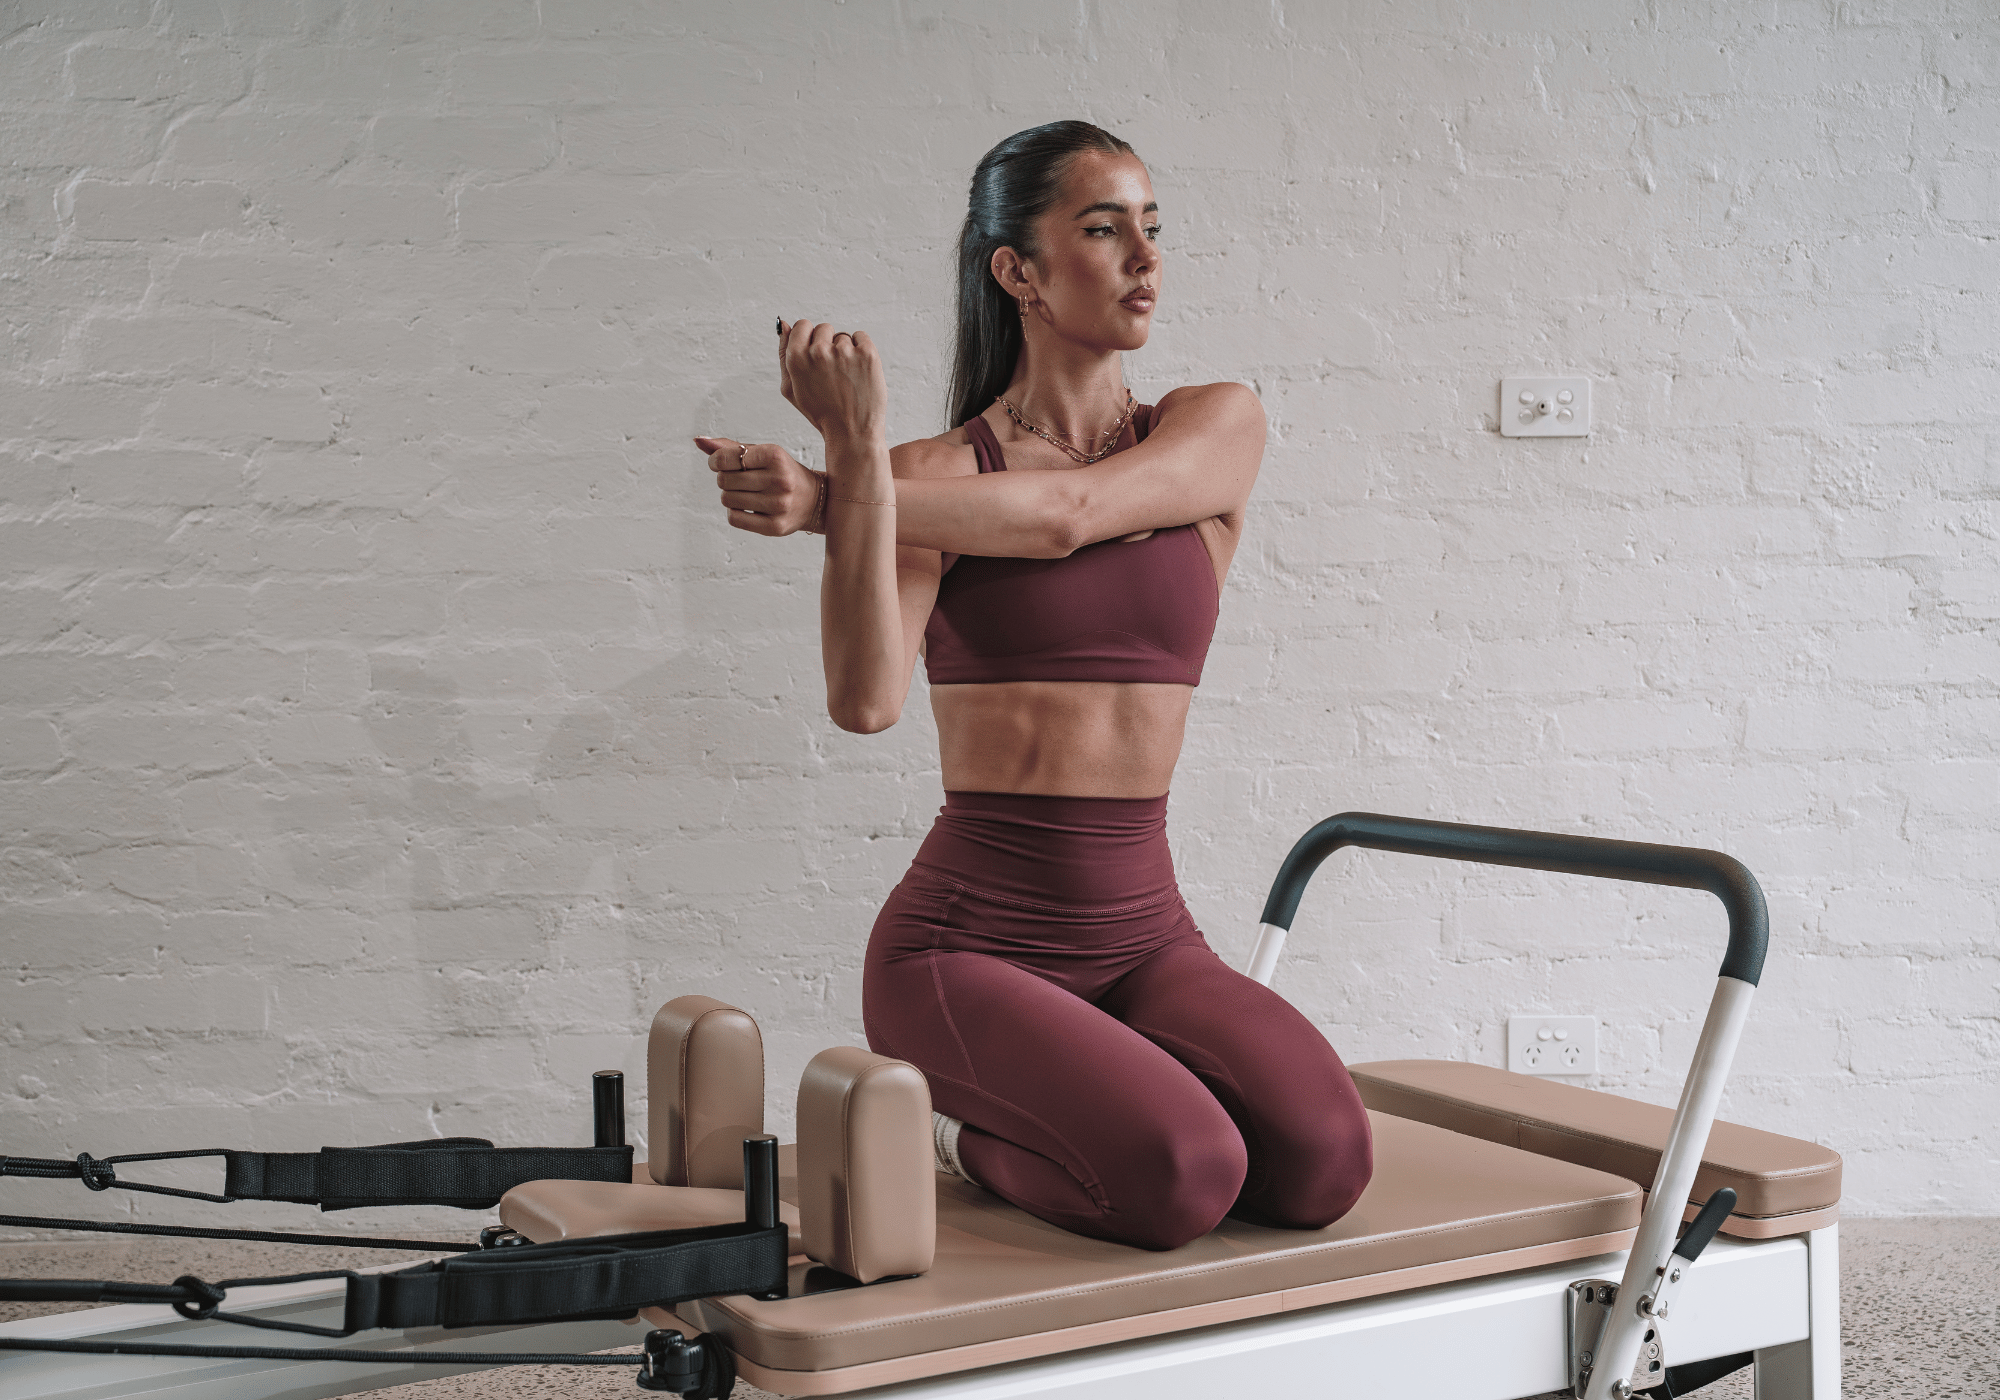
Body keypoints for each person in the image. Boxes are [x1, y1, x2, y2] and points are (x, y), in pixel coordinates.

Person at [695, 120, 1372, 1251]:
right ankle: (953, 1129)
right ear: (1017, 271)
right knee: (1179, 1177)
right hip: (964, 948)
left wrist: (829, 494)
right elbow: (863, 702)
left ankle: (1085, 1088)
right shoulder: (923, 476)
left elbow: (1068, 514)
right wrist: (859, 460)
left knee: (1324, 1162)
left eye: (1151, 230)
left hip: (1144, 936)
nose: (1144, 261)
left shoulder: (1212, 426)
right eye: (1103, 231)